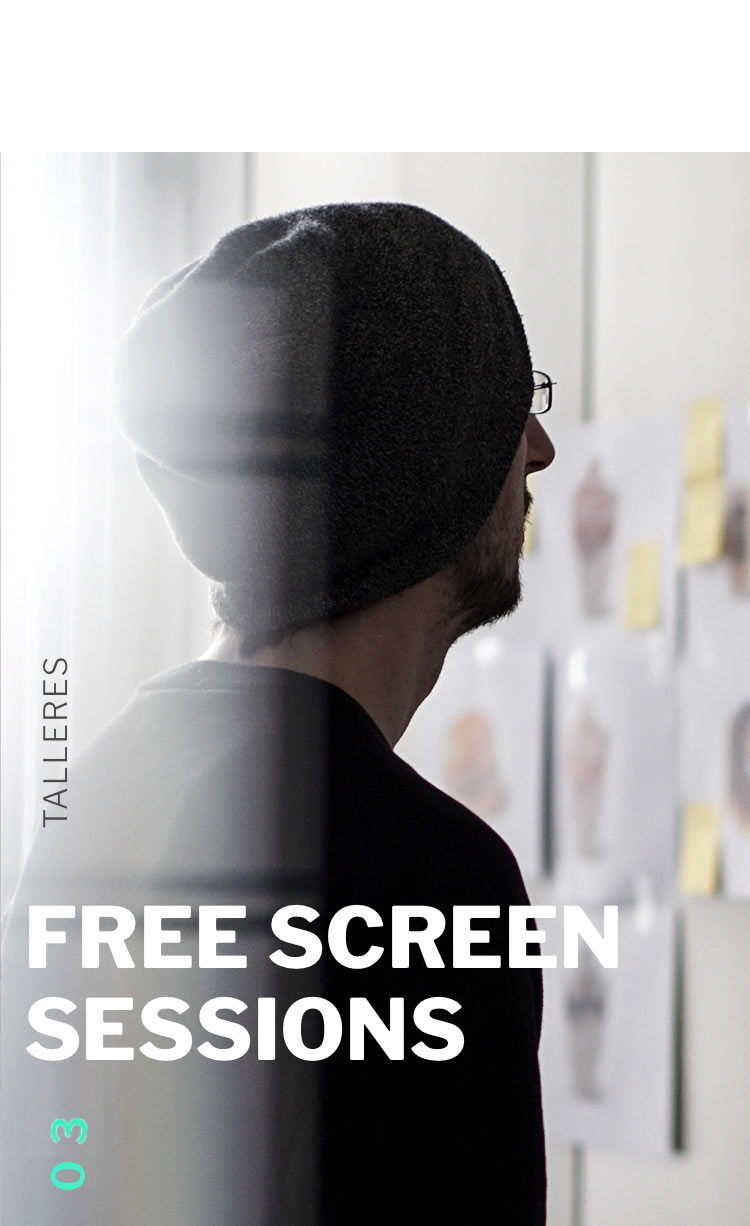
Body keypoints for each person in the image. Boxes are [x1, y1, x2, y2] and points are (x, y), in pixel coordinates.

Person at [3, 202, 554, 1226]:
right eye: (509, 408)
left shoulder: (112, 782)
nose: (541, 447)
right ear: (419, 462)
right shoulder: (421, 879)